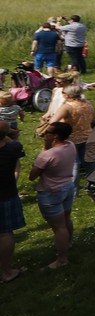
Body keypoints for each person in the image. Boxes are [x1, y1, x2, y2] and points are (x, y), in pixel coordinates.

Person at [29, 121, 76, 269]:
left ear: (55, 136)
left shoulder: (47, 155)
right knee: (66, 219)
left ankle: (62, 259)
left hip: (51, 193)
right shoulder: (70, 145)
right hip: (68, 187)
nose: (43, 134)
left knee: (59, 228)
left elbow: (32, 176)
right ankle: (68, 243)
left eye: (47, 132)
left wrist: (44, 149)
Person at [0, 121, 27, 282]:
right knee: (5, 233)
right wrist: (6, 134)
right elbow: (12, 141)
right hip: (6, 195)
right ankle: (6, 272)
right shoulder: (14, 148)